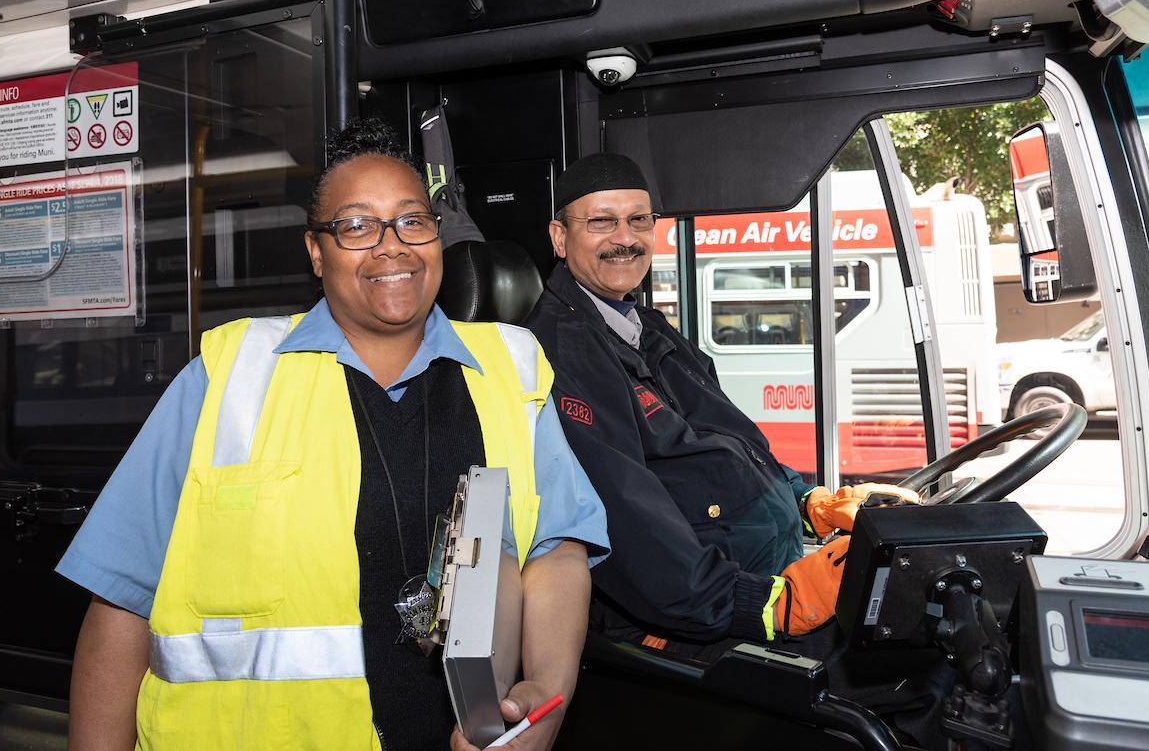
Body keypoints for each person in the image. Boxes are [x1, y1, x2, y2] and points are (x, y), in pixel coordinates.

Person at [58, 118, 609, 751]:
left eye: (412, 220)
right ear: (316, 251)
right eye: (356, 225)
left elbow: (558, 547)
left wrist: (546, 694)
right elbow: (121, 605)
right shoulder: (228, 375)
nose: (391, 246)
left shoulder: (512, 369)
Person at [524, 152, 919, 661]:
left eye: (638, 220)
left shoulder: (648, 327)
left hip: (748, 580)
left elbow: (731, 445)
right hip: (696, 621)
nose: (624, 237)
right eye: (601, 221)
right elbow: (623, 522)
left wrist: (807, 504)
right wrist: (772, 606)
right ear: (560, 238)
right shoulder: (561, 354)